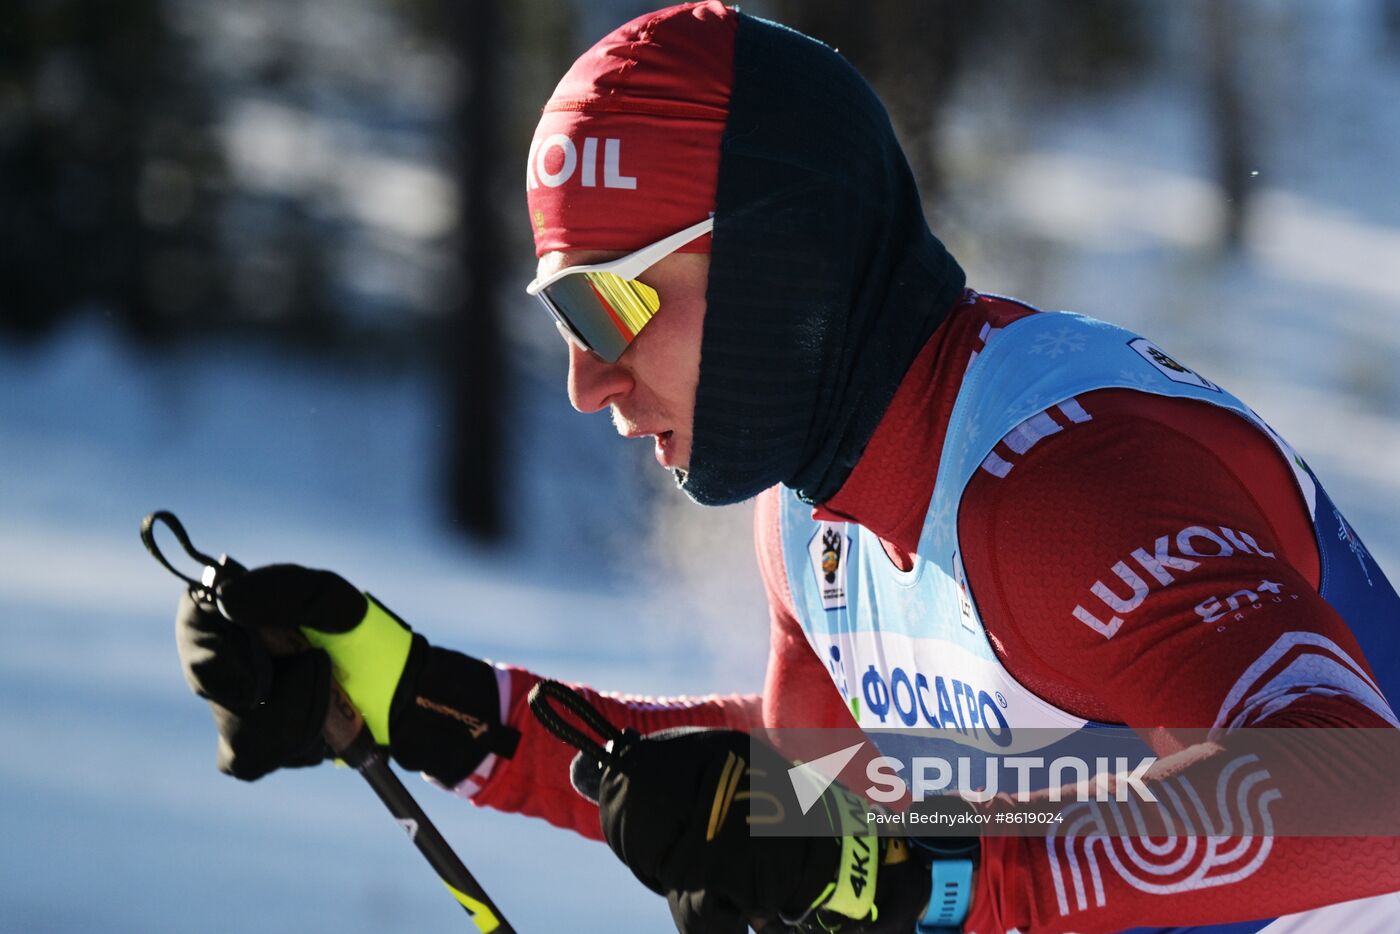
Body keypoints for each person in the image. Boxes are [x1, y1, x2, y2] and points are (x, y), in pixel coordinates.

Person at [174, 3, 1400, 932]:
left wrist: (933, 879)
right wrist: (430, 705)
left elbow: (1362, 788)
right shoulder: (812, 518)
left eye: (605, 311)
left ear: (779, 262)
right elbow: (808, 798)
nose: (584, 382)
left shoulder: (1059, 488)